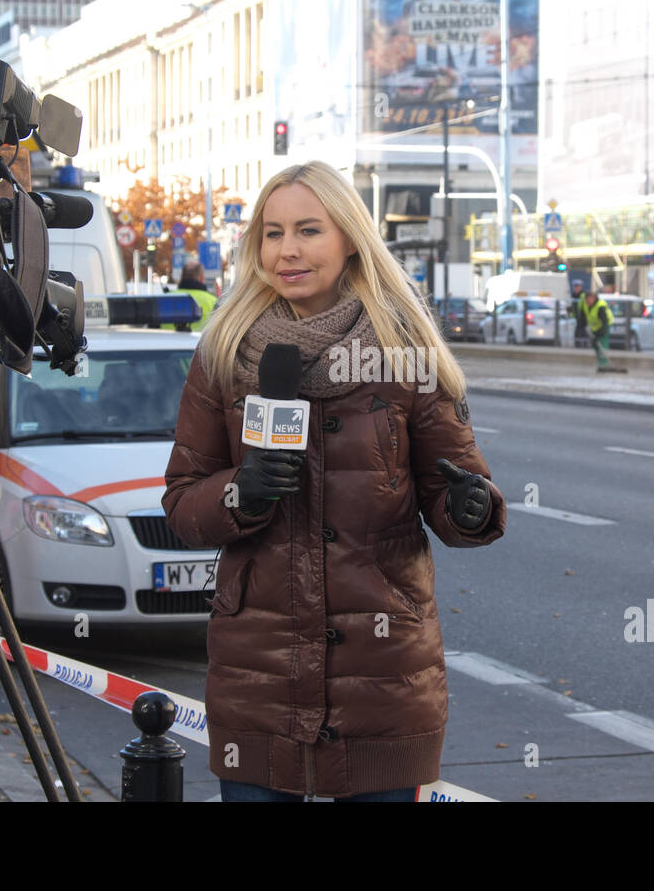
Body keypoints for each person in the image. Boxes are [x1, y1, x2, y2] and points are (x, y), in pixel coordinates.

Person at [162, 160, 507, 802]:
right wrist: (243, 492)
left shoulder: (407, 356)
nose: (286, 250)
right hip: (258, 677)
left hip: (383, 680)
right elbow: (182, 503)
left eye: (308, 230)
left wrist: (470, 505)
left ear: (349, 238)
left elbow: (459, 499)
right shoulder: (224, 354)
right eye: (272, 233)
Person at [165, 260, 217, 332]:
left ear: (182, 277)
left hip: (164, 342)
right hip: (201, 343)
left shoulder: (165, 298)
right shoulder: (213, 301)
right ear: (201, 277)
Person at [576, 289, 615, 371]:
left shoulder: (600, 306)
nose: (587, 302)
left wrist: (599, 334)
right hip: (594, 327)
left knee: (602, 343)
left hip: (604, 325)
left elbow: (605, 323)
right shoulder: (585, 304)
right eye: (586, 300)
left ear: (593, 298)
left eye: (588, 300)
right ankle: (601, 362)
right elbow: (582, 317)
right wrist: (583, 325)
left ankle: (604, 364)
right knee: (595, 345)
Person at [569, 279, 587, 347]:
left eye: (578, 286)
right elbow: (574, 307)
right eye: (575, 287)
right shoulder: (573, 295)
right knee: (578, 332)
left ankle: (584, 345)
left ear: (581, 287)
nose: (576, 288)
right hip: (576, 317)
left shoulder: (583, 295)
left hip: (583, 317)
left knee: (583, 332)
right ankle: (578, 345)